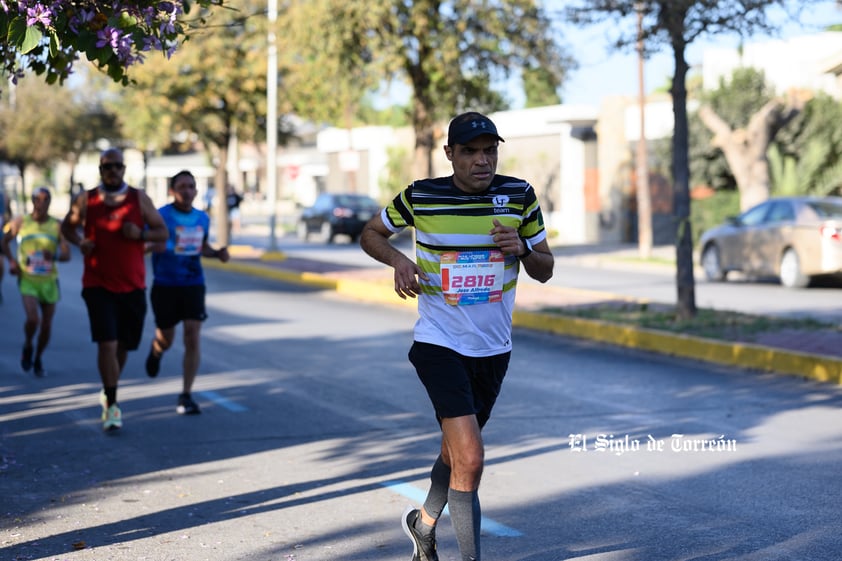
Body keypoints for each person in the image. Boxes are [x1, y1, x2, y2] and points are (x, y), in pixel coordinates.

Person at [360, 111, 554, 561]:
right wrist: (398, 261)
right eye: (470, 152)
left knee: (456, 454)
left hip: (493, 349)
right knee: (471, 456)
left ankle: (423, 525)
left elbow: (545, 269)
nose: (482, 161)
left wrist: (522, 250)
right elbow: (371, 233)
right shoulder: (421, 196)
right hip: (438, 342)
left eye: (489, 150)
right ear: (450, 154)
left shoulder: (519, 195)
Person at [61, 148, 169, 432]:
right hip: (97, 284)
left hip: (132, 285)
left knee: (124, 345)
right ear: (100, 170)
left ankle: (110, 386)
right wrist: (80, 242)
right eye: (107, 167)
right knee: (107, 342)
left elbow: (162, 232)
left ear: (124, 169)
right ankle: (112, 404)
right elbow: (67, 227)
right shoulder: (86, 199)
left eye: (117, 166)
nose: (112, 171)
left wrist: (141, 234)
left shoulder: (139, 199)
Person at [144, 170, 230, 415]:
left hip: (193, 284)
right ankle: (156, 350)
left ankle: (186, 394)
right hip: (165, 285)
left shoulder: (202, 218)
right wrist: (151, 246)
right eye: (181, 186)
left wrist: (218, 254)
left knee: (192, 336)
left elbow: (201, 247)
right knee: (166, 338)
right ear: (172, 190)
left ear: (196, 190)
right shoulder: (161, 216)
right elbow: (146, 244)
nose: (187, 191)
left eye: (191, 186)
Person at [1, 187, 71, 376]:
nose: (40, 203)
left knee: (47, 325)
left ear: (49, 202)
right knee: (33, 319)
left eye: (45, 199)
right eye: (37, 199)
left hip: (49, 281)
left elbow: (67, 254)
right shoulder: (22, 222)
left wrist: (55, 254)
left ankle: (38, 357)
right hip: (28, 279)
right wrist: (13, 261)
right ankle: (28, 344)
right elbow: (4, 241)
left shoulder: (57, 226)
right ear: (32, 201)